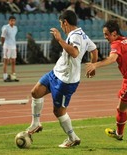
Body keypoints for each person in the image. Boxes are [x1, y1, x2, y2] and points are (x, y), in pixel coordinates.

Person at [26, 10, 98, 148]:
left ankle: (73, 138)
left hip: (66, 81)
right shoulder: (82, 34)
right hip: (55, 73)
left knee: (58, 111)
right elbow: (94, 50)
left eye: (61, 24)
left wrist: (59, 39)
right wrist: (92, 66)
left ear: (65, 22)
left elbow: (75, 53)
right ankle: (36, 123)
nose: (61, 27)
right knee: (35, 92)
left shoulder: (75, 36)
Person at [1, 15, 19, 82]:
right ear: (9, 21)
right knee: (6, 61)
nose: (12, 22)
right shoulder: (5, 28)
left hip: (13, 46)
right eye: (11, 20)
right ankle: (5, 77)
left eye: (14, 21)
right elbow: (2, 37)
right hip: (7, 46)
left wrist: (15, 46)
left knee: (13, 61)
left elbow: (13, 38)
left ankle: (13, 76)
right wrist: (4, 45)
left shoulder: (15, 28)